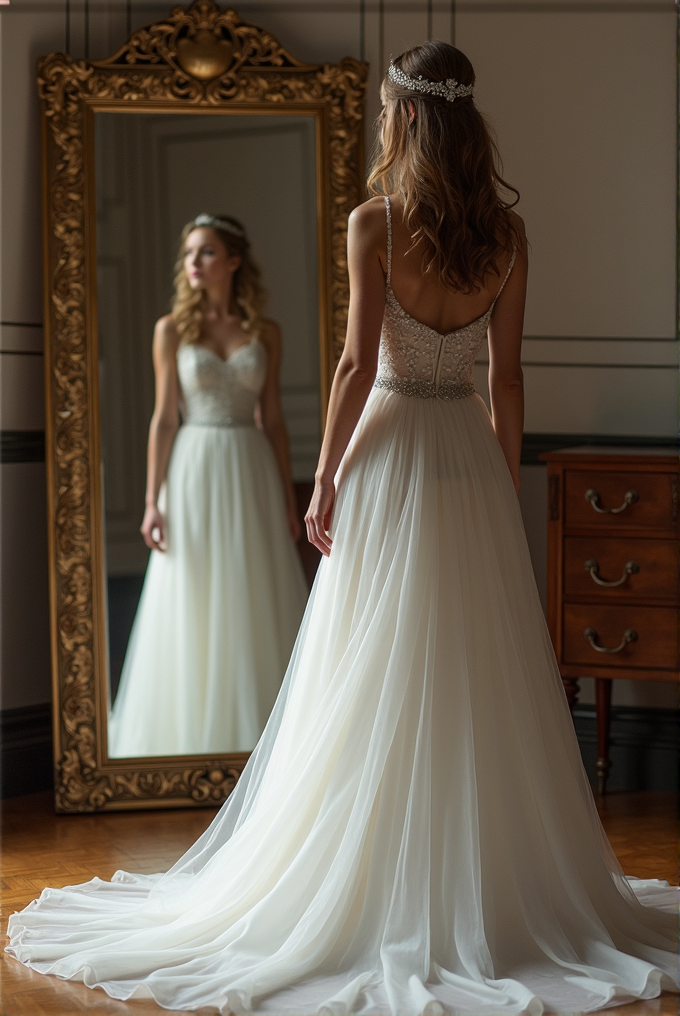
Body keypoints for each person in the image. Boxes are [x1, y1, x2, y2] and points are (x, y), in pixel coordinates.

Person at [7, 44, 677, 1015]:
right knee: (469, 670)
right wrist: (498, 477)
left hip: (393, 447)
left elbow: (355, 368)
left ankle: (368, 875)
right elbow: (509, 378)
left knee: (364, 663)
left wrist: (324, 477)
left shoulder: (375, 222)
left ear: (403, 119)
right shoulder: (507, 234)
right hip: (468, 463)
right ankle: (479, 885)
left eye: (382, 112)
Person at [107, 213, 308, 757]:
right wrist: (152, 501)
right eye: (189, 253)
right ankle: (191, 737)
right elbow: (163, 419)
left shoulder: (266, 332)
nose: (193, 263)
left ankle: (267, 743)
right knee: (192, 591)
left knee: (253, 586)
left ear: (234, 261)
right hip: (192, 467)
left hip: (251, 467)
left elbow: (274, 418)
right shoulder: (171, 329)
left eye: (206, 252)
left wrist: (290, 496)